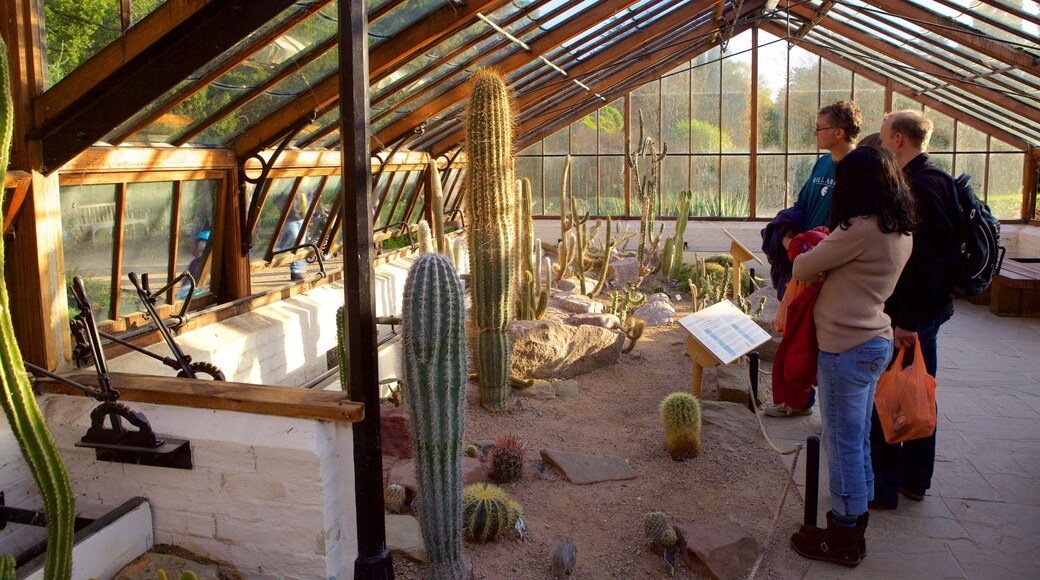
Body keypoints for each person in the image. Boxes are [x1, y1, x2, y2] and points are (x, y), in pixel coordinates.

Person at [788, 146, 915, 567]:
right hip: (872, 339)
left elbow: (804, 267)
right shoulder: (899, 228)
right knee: (856, 437)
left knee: (842, 441)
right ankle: (854, 521)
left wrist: (804, 253)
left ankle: (842, 535)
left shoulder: (861, 228)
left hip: (847, 345)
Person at [870, 110, 957, 509]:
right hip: (917, 312)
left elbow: (929, 260)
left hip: (915, 315)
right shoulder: (927, 178)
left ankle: (896, 481)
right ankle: (909, 478)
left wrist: (909, 321)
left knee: (905, 394)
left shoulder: (924, 185)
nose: (882, 142)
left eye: (885, 135)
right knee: (912, 390)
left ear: (899, 140)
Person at [765, 99, 863, 418]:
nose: (815, 133)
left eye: (820, 128)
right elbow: (804, 203)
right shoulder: (822, 164)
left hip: (832, 267)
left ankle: (827, 407)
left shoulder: (859, 167)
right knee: (799, 334)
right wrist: (788, 235)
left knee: (818, 338)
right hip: (806, 259)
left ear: (839, 131)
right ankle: (799, 400)